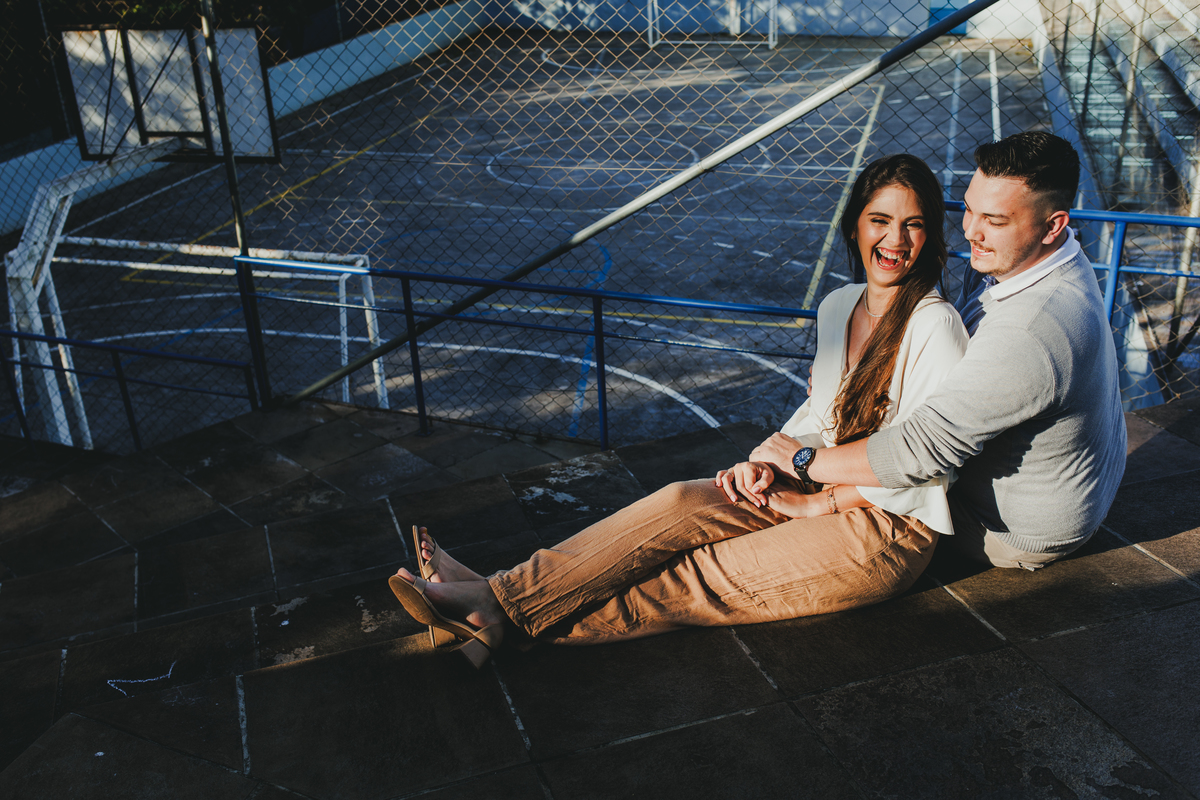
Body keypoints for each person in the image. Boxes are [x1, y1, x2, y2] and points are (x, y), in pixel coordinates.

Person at [389, 154, 969, 667]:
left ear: (931, 236)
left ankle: (494, 612)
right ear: (855, 226)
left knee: (694, 575)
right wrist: (764, 466)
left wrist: (819, 501)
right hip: (812, 478)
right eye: (880, 220)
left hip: (885, 525)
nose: (895, 240)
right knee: (679, 504)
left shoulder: (935, 326)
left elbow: (921, 464)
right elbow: (822, 416)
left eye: (914, 224)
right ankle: (496, 602)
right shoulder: (840, 304)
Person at [751, 131, 1127, 571]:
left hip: (1005, 527)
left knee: (769, 529)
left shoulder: (1031, 329)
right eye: (969, 209)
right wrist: (856, 380)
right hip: (1068, 489)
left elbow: (920, 452)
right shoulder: (1030, 259)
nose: (971, 232)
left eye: (995, 221)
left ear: (1053, 225)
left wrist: (803, 462)